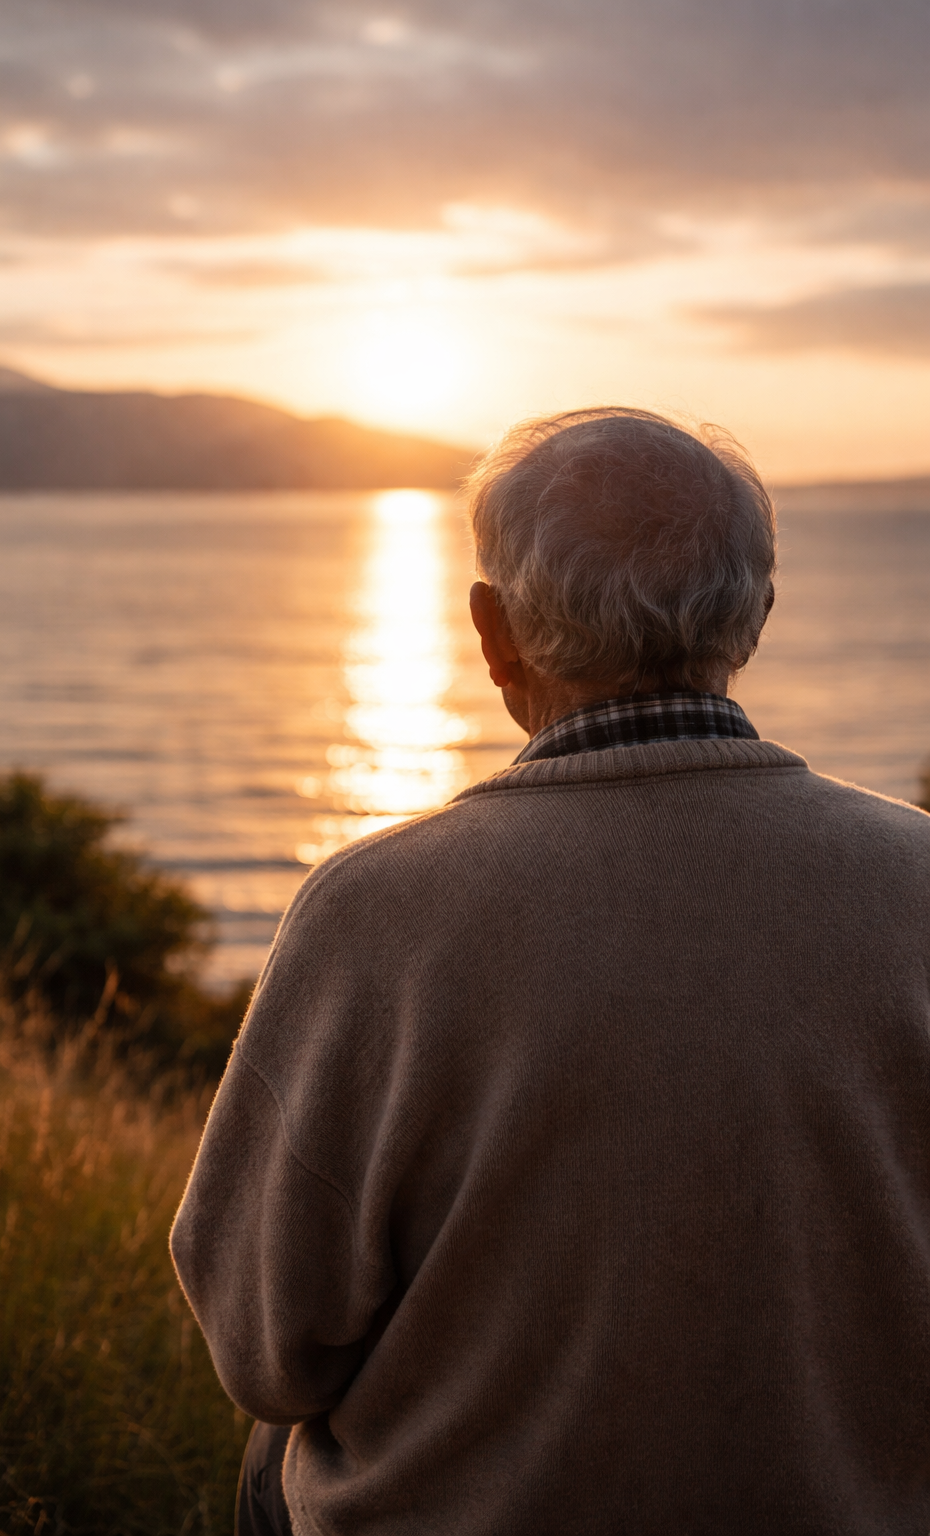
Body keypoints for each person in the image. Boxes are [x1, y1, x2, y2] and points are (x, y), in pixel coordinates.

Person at [171, 407, 930, 1535]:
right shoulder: (914, 877)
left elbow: (266, 1350)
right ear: (757, 615)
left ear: (493, 631)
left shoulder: (374, 912)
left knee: (268, 1450)